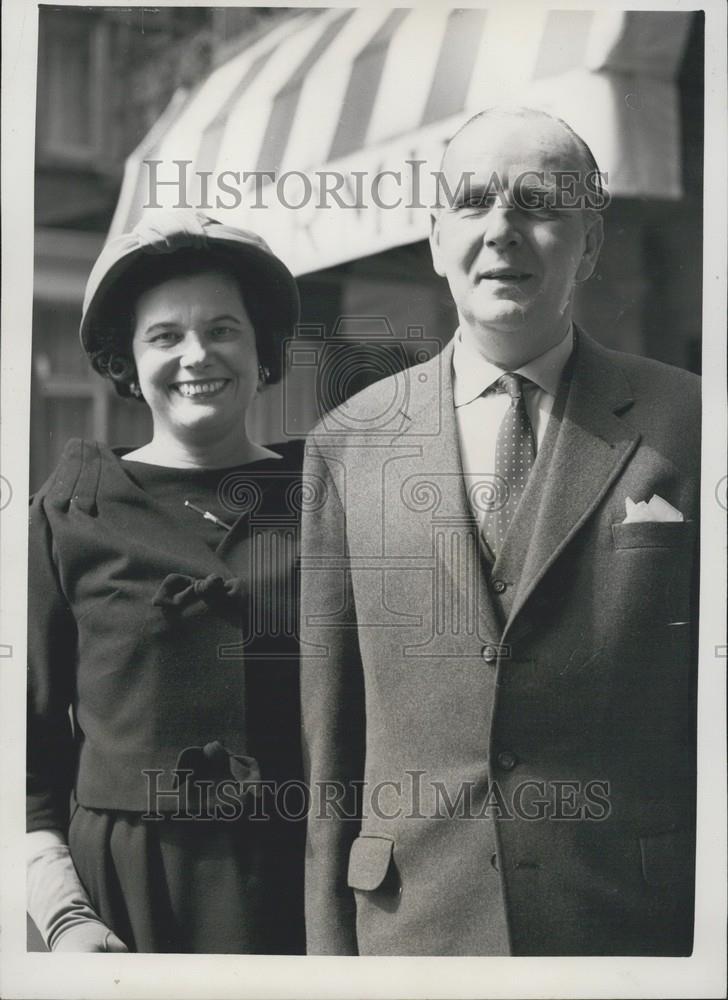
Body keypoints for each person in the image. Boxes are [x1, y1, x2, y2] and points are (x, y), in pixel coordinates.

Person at [300, 107, 699, 956]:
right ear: (436, 237)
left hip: (632, 929)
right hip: (413, 931)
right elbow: (331, 751)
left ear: (589, 244)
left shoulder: (694, 423)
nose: (502, 231)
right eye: (473, 202)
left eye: (539, 205)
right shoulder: (348, 442)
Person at [27, 209, 305, 953]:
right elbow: (23, 756)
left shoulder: (330, 498)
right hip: (124, 895)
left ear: (261, 348)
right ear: (127, 358)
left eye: (223, 329)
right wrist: (63, 914)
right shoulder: (68, 511)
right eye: (165, 336)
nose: (196, 355)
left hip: (302, 886)